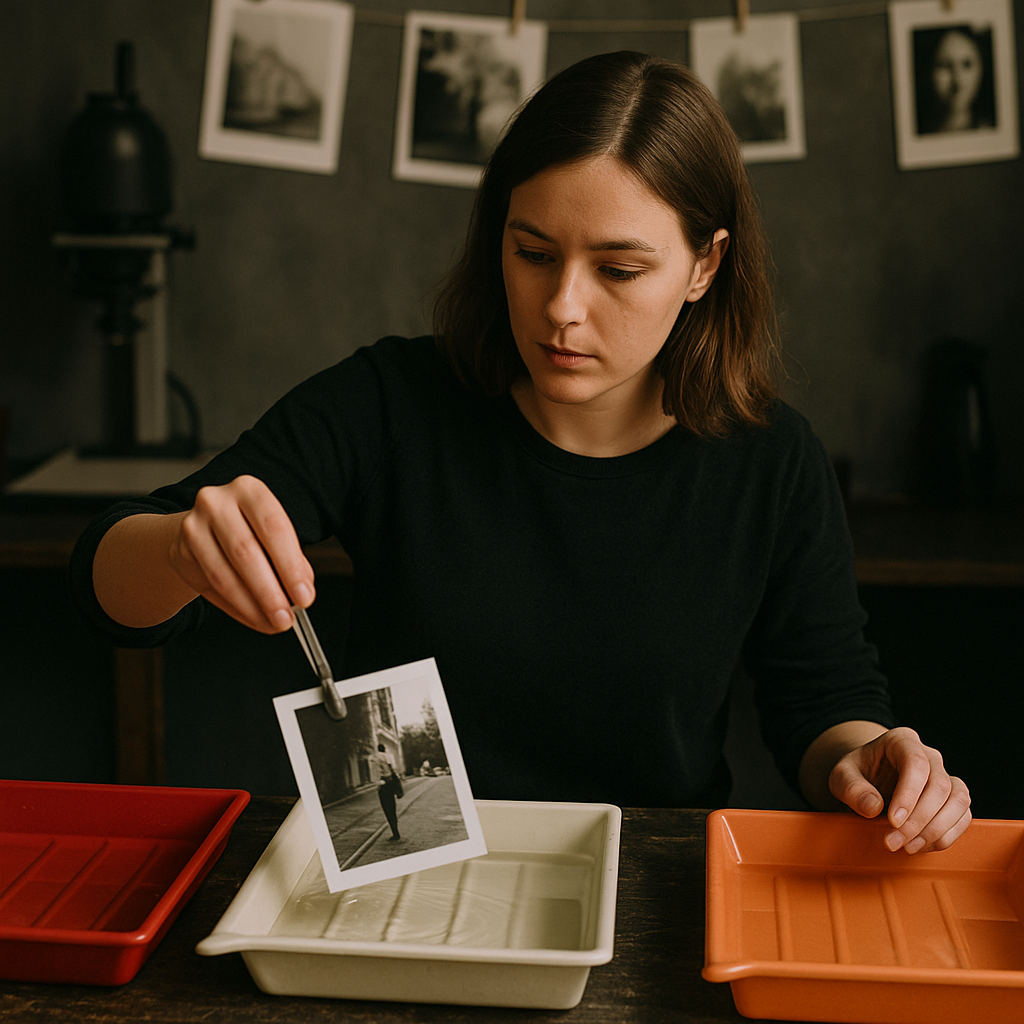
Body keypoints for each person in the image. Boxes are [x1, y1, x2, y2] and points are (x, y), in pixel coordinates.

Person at [71, 51, 971, 856]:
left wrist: (872, 762)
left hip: (649, 888)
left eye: (619, 270)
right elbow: (109, 585)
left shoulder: (771, 462)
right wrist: (184, 545)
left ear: (705, 266)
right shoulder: (391, 403)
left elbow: (822, 702)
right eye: (532, 252)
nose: (562, 308)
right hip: (409, 873)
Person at [374, 743, 402, 841]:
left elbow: (377, 773)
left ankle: (395, 832)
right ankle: (396, 831)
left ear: (377, 749)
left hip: (383, 784)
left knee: (387, 809)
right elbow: (395, 770)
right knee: (392, 808)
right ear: (384, 749)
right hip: (391, 783)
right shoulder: (389, 757)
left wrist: (377, 786)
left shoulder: (376, 757)